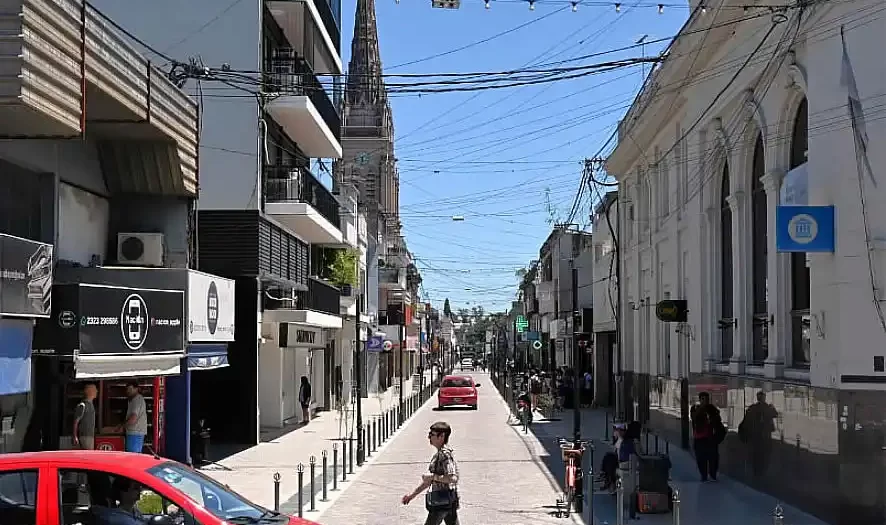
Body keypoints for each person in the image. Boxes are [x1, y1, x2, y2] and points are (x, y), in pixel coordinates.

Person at [402, 421, 460, 525]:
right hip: (448, 501)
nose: (429, 437)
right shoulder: (439, 454)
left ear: (441, 436)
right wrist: (412, 495)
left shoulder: (445, 455)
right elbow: (429, 481)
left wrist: (433, 476)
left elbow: (452, 478)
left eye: (432, 434)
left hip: (441, 502)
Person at [738, 391, 778, 476]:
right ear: (763, 398)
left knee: (757, 453)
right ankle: (762, 470)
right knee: (764, 453)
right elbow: (775, 414)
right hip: (764, 435)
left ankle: (757, 470)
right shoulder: (767, 407)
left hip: (756, 435)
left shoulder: (753, 408)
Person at [690, 391, 725, 482]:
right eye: (703, 399)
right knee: (701, 458)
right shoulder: (695, 408)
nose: (705, 401)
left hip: (710, 438)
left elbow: (717, 419)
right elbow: (694, 417)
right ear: (700, 399)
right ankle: (704, 475)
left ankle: (713, 474)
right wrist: (701, 409)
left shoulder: (712, 409)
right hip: (699, 438)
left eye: (707, 399)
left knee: (713, 457)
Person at [119, 382, 147, 453]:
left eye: (130, 389)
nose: (128, 391)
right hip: (134, 433)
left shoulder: (137, 400)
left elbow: (133, 418)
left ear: (136, 389)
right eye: (127, 389)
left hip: (135, 433)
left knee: (133, 457)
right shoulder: (133, 400)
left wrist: (122, 426)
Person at [73, 383, 97, 450]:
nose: (96, 391)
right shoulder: (83, 405)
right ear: (89, 391)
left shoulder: (91, 404)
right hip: (85, 436)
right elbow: (76, 421)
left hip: (90, 436)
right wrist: (75, 436)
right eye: (94, 390)